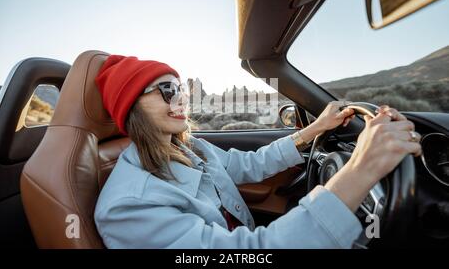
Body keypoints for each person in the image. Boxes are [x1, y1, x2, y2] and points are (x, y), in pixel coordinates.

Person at [94, 55, 422, 249]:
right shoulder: (127, 207)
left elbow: (250, 165)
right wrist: (361, 169)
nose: (181, 99)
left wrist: (315, 128)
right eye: (167, 90)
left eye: (181, 89)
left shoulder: (190, 147)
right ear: (132, 106)